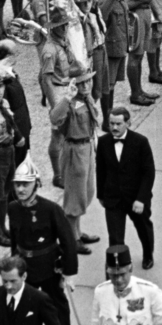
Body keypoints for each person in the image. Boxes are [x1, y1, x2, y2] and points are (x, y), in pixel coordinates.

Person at [6, 155, 78, 325]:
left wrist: (69, 272)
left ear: (36, 185)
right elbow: (15, 239)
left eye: (25, 184)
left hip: (48, 267)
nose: (20, 189)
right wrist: (13, 265)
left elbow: (68, 241)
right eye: (18, 184)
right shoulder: (12, 208)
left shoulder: (50, 209)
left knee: (56, 304)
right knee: (24, 304)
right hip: (25, 268)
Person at [96, 103, 156, 266]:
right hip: (113, 198)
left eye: (118, 124)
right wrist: (101, 195)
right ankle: (117, 267)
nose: (114, 127)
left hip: (136, 197)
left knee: (143, 228)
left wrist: (141, 199)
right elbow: (100, 170)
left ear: (128, 123)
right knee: (115, 237)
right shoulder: (103, 142)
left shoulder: (141, 142)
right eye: (111, 124)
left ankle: (148, 254)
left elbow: (148, 173)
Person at [49, 66, 102, 249]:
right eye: (81, 83)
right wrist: (68, 97)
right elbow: (55, 118)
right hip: (74, 150)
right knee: (74, 196)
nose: (86, 85)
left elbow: (95, 121)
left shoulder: (86, 99)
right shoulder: (70, 103)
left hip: (87, 148)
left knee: (86, 192)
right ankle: (72, 238)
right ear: (74, 85)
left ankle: (78, 232)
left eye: (88, 80)